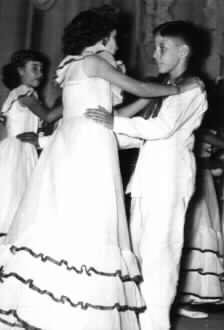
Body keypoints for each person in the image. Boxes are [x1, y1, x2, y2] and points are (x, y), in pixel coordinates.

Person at [0, 8, 198, 330]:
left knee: (72, 217)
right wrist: (176, 89)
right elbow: (140, 88)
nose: (118, 43)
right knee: (92, 219)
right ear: (102, 38)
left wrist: (139, 106)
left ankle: (56, 301)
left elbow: (108, 111)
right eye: (115, 37)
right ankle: (77, 307)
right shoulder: (94, 62)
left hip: (80, 141)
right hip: (87, 147)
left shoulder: (75, 66)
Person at [86, 20, 208, 330]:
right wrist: (96, 132)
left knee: (159, 257)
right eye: (154, 47)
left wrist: (113, 122)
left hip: (169, 181)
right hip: (147, 181)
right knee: (138, 253)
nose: (155, 54)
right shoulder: (163, 89)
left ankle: (155, 325)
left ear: (184, 51)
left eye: (162, 48)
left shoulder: (192, 87)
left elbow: (161, 129)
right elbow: (139, 135)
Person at [0, 49, 62, 244]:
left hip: (25, 151)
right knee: (13, 201)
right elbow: (49, 116)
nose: (40, 74)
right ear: (20, 71)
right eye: (34, 68)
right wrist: (75, 98)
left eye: (41, 69)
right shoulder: (23, 94)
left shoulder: (27, 95)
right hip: (17, 153)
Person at [177, 128, 224, 318]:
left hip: (206, 182)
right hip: (196, 180)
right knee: (198, 231)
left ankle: (191, 296)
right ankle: (183, 298)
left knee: (205, 230)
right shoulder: (199, 127)